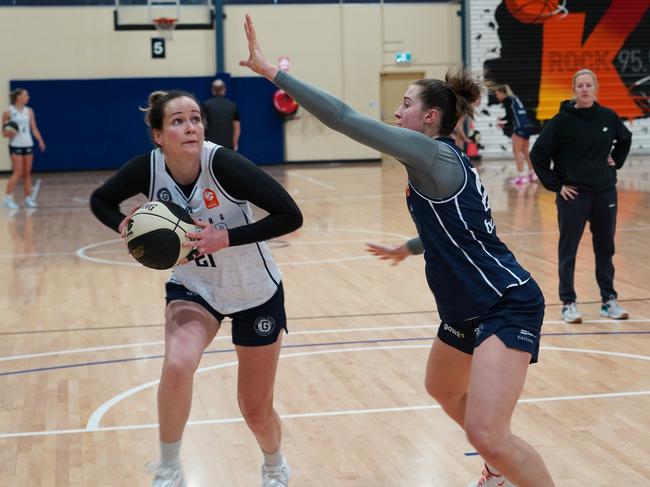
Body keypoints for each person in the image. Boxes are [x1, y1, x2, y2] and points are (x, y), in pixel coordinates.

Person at [240, 14, 554, 487]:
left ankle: (500, 462)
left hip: (505, 302)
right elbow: (459, 231)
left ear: (429, 118)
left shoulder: (433, 154)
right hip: (466, 305)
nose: (396, 113)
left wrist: (273, 73)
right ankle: (500, 463)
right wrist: (410, 247)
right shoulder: (437, 164)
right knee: (444, 387)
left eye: (405, 105)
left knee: (487, 432)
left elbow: (345, 118)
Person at [90, 88, 302, 487]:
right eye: (178, 121)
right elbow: (101, 200)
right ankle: (169, 467)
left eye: (195, 119)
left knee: (254, 409)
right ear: (158, 134)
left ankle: (274, 464)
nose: (190, 127)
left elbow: (290, 215)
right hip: (195, 287)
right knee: (177, 364)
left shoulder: (224, 164)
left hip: (254, 291)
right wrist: (122, 224)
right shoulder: (146, 169)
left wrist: (228, 237)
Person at [530, 68, 632, 324]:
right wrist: (556, 185)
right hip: (573, 194)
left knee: (605, 248)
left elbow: (625, 139)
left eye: (589, 85)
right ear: (574, 89)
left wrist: (615, 161)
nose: (585, 89)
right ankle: (568, 303)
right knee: (569, 249)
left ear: (595, 88)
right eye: (580, 85)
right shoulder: (561, 121)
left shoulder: (608, 116)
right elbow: (538, 154)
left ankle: (609, 300)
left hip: (604, 191)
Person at [2, 88, 46, 209]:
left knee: (27, 173)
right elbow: (4, 133)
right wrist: (10, 133)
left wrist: (40, 140)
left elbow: (34, 128)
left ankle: (27, 199)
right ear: (18, 97)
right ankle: (7, 198)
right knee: (17, 172)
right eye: (26, 95)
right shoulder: (8, 112)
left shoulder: (29, 111)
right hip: (15, 145)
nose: (28, 97)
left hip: (28, 144)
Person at [495, 85, 536, 186]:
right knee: (525, 151)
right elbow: (514, 114)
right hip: (528, 125)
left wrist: (502, 123)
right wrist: (504, 121)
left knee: (516, 151)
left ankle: (522, 177)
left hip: (520, 127)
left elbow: (510, 117)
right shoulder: (514, 98)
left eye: (497, 93)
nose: (496, 96)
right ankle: (532, 174)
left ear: (502, 92)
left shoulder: (507, 100)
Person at [202, 79, 241, 150]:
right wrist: (235, 143)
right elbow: (237, 127)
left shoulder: (206, 105)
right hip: (228, 145)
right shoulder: (232, 106)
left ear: (213, 90)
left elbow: (202, 125)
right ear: (224, 89)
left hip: (211, 145)